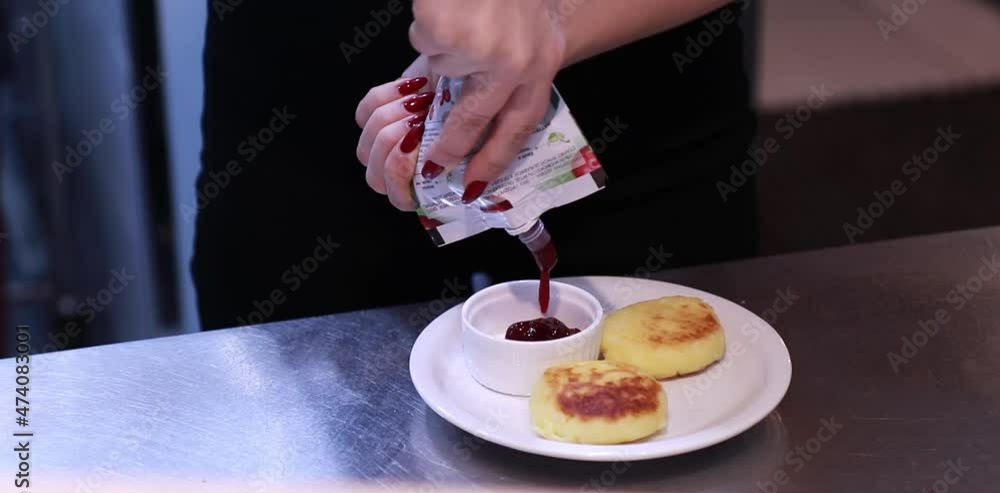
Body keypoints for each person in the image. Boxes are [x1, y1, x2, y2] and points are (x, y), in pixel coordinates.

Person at [191, 0, 759, 330]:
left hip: (644, 94)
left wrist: (557, 20)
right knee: (310, 473)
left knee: (669, 441)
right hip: (304, 106)